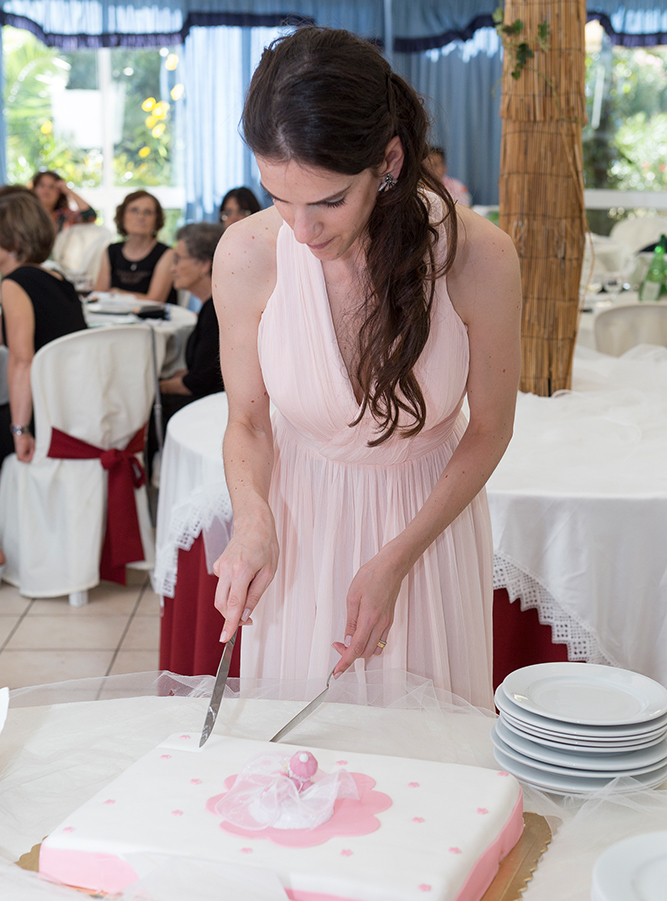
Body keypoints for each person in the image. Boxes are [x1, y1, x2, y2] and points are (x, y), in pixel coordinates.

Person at [212, 27, 521, 708]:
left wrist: (396, 558)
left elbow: (490, 428)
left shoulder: (479, 256)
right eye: (279, 197)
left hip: (423, 532)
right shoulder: (246, 254)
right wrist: (253, 517)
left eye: (327, 201)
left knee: (426, 764)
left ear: (387, 160)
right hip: (300, 532)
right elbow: (247, 419)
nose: (301, 230)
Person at [0, 192, 86, 469]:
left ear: (12, 243)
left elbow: (22, 360)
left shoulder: (15, 283)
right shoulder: (57, 278)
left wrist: (20, 430)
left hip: (45, 412)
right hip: (73, 400)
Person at [148, 222, 225, 470]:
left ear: (204, 265)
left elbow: (198, 382)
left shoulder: (216, 311)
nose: (172, 268)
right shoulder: (212, 306)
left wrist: (154, 387)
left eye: (179, 259)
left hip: (211, 413)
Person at [95, 190, 176, 303]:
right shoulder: (111, 250)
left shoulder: (167, 254)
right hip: (113, 319)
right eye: (134, 210)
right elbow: (99, 294)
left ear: (156, 220)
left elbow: (155, 300)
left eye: (147, 212)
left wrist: (116, 293)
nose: (140, 217)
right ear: (122, 216)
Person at [31, 170, 97, 233]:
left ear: (59, 192)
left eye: (51, 187)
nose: (46, 190)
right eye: (42, 185)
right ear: (34, 189)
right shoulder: (27, 213)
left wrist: (68, 190)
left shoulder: (66, 216)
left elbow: (90, 216)